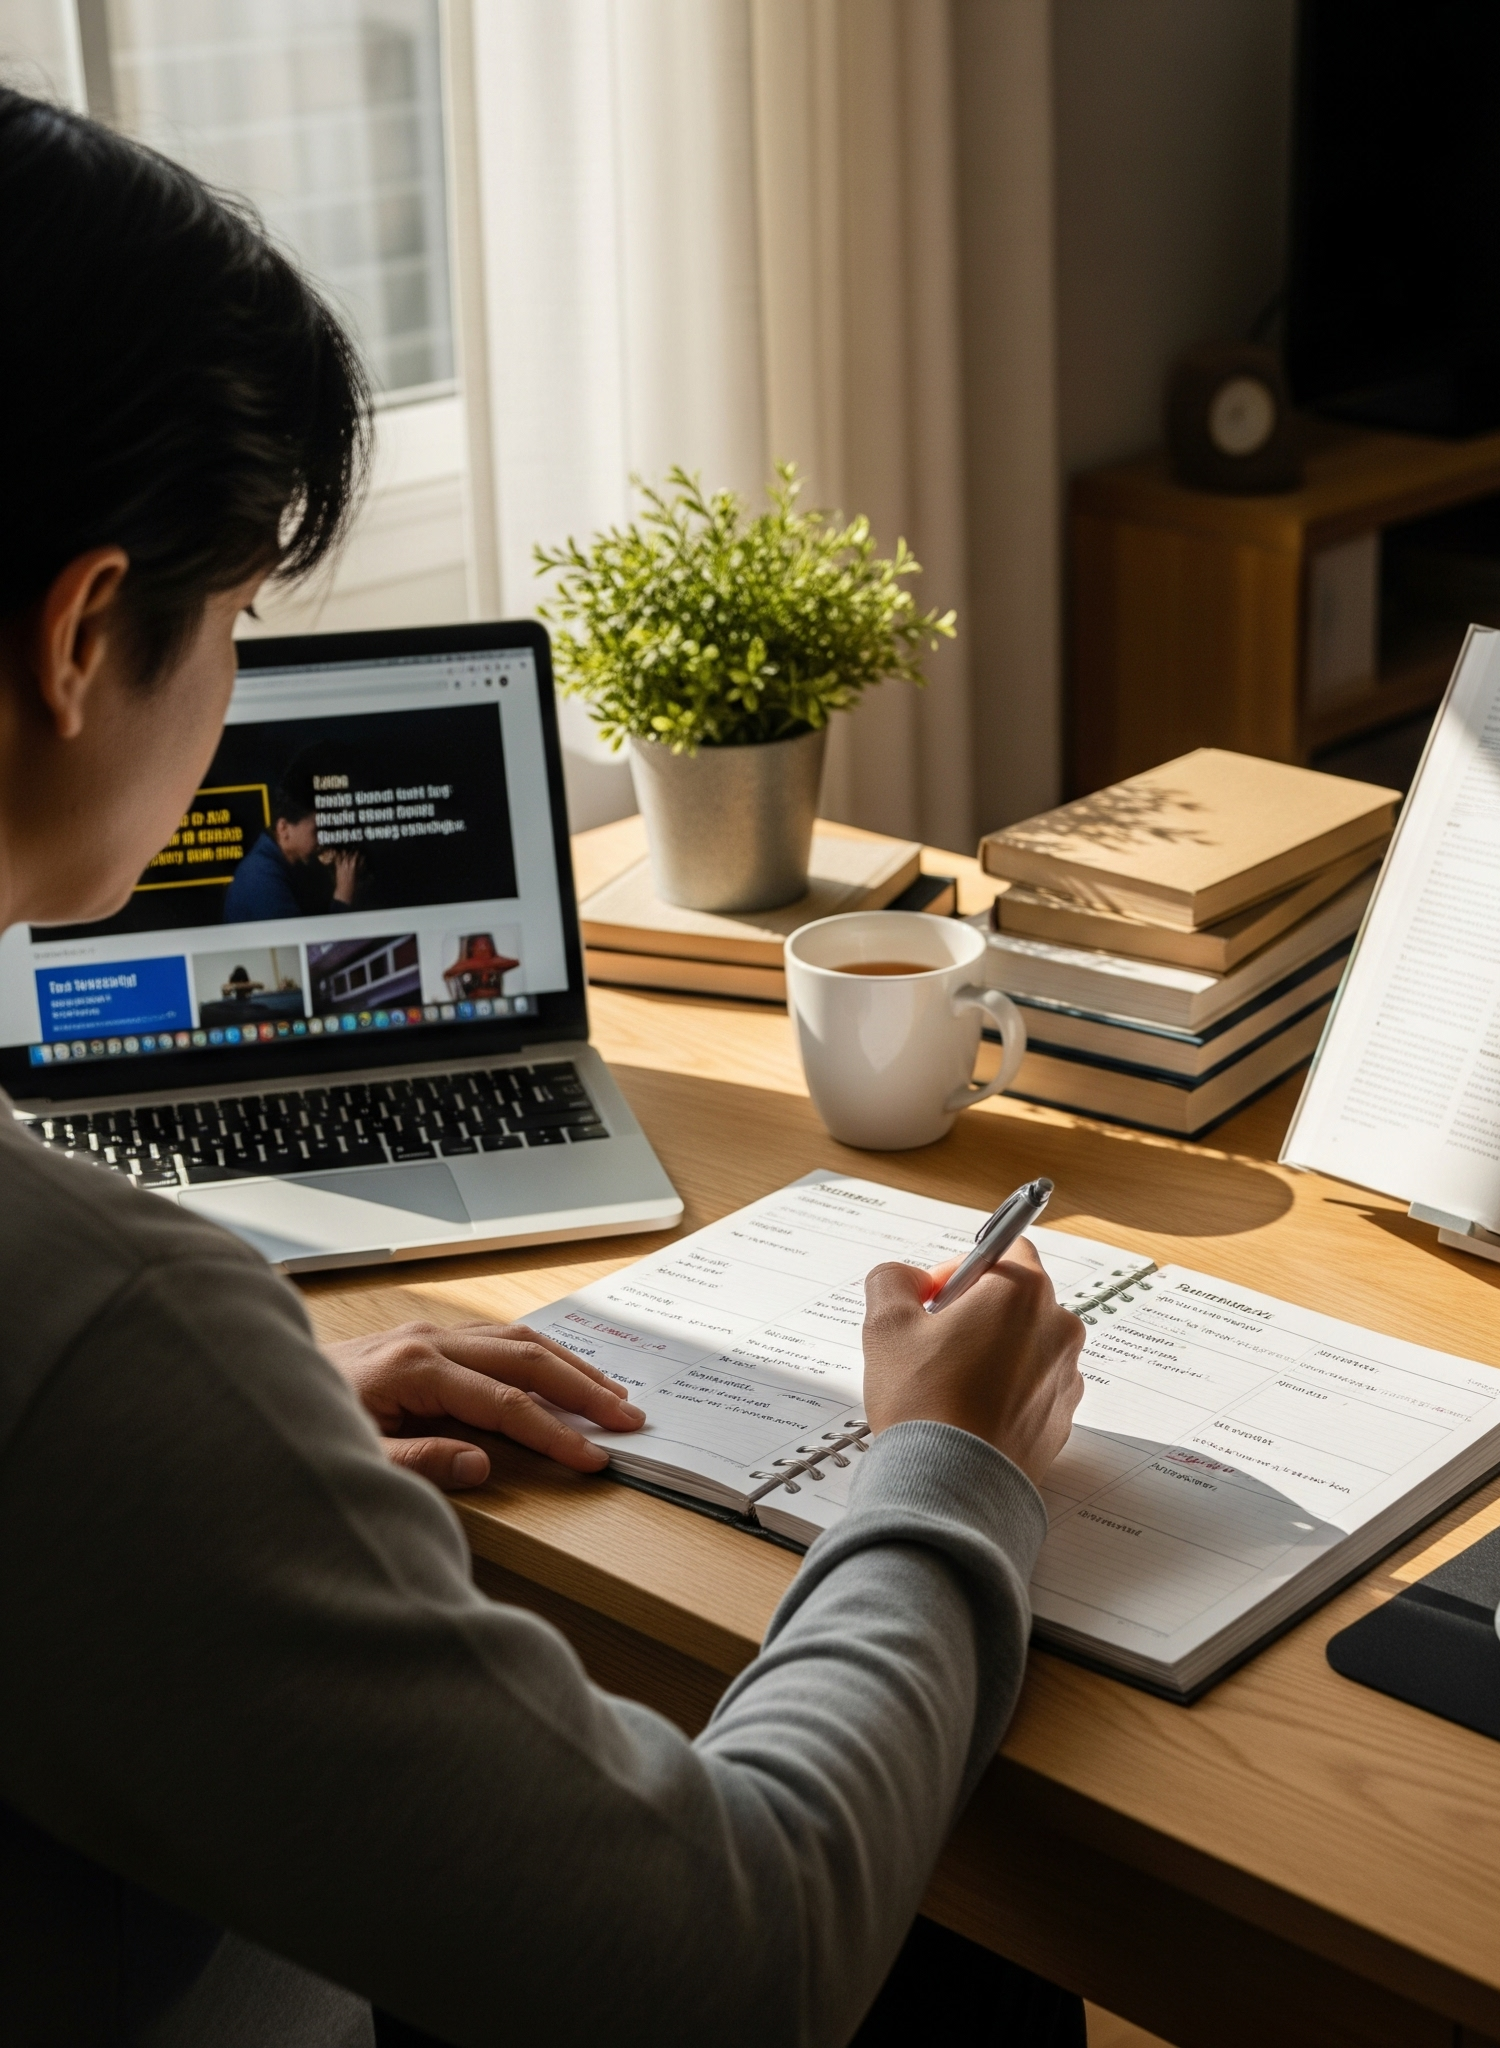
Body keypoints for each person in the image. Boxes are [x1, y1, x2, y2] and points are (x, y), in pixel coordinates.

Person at [0, 86, 1087, 2048]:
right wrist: (952, 1466)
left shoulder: (98, 1351)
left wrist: (228, 1436)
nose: (235, 672)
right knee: (950, 1951)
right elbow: (734, 1971)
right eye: (239, 612)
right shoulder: (97, 1318)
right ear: (85, 632)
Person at [221, 775, 364, 921]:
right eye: (317, 830)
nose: (324, 838)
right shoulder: (261, 878)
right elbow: (302, 942)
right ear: (283, 828)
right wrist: (343, 897)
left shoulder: (285, 866)